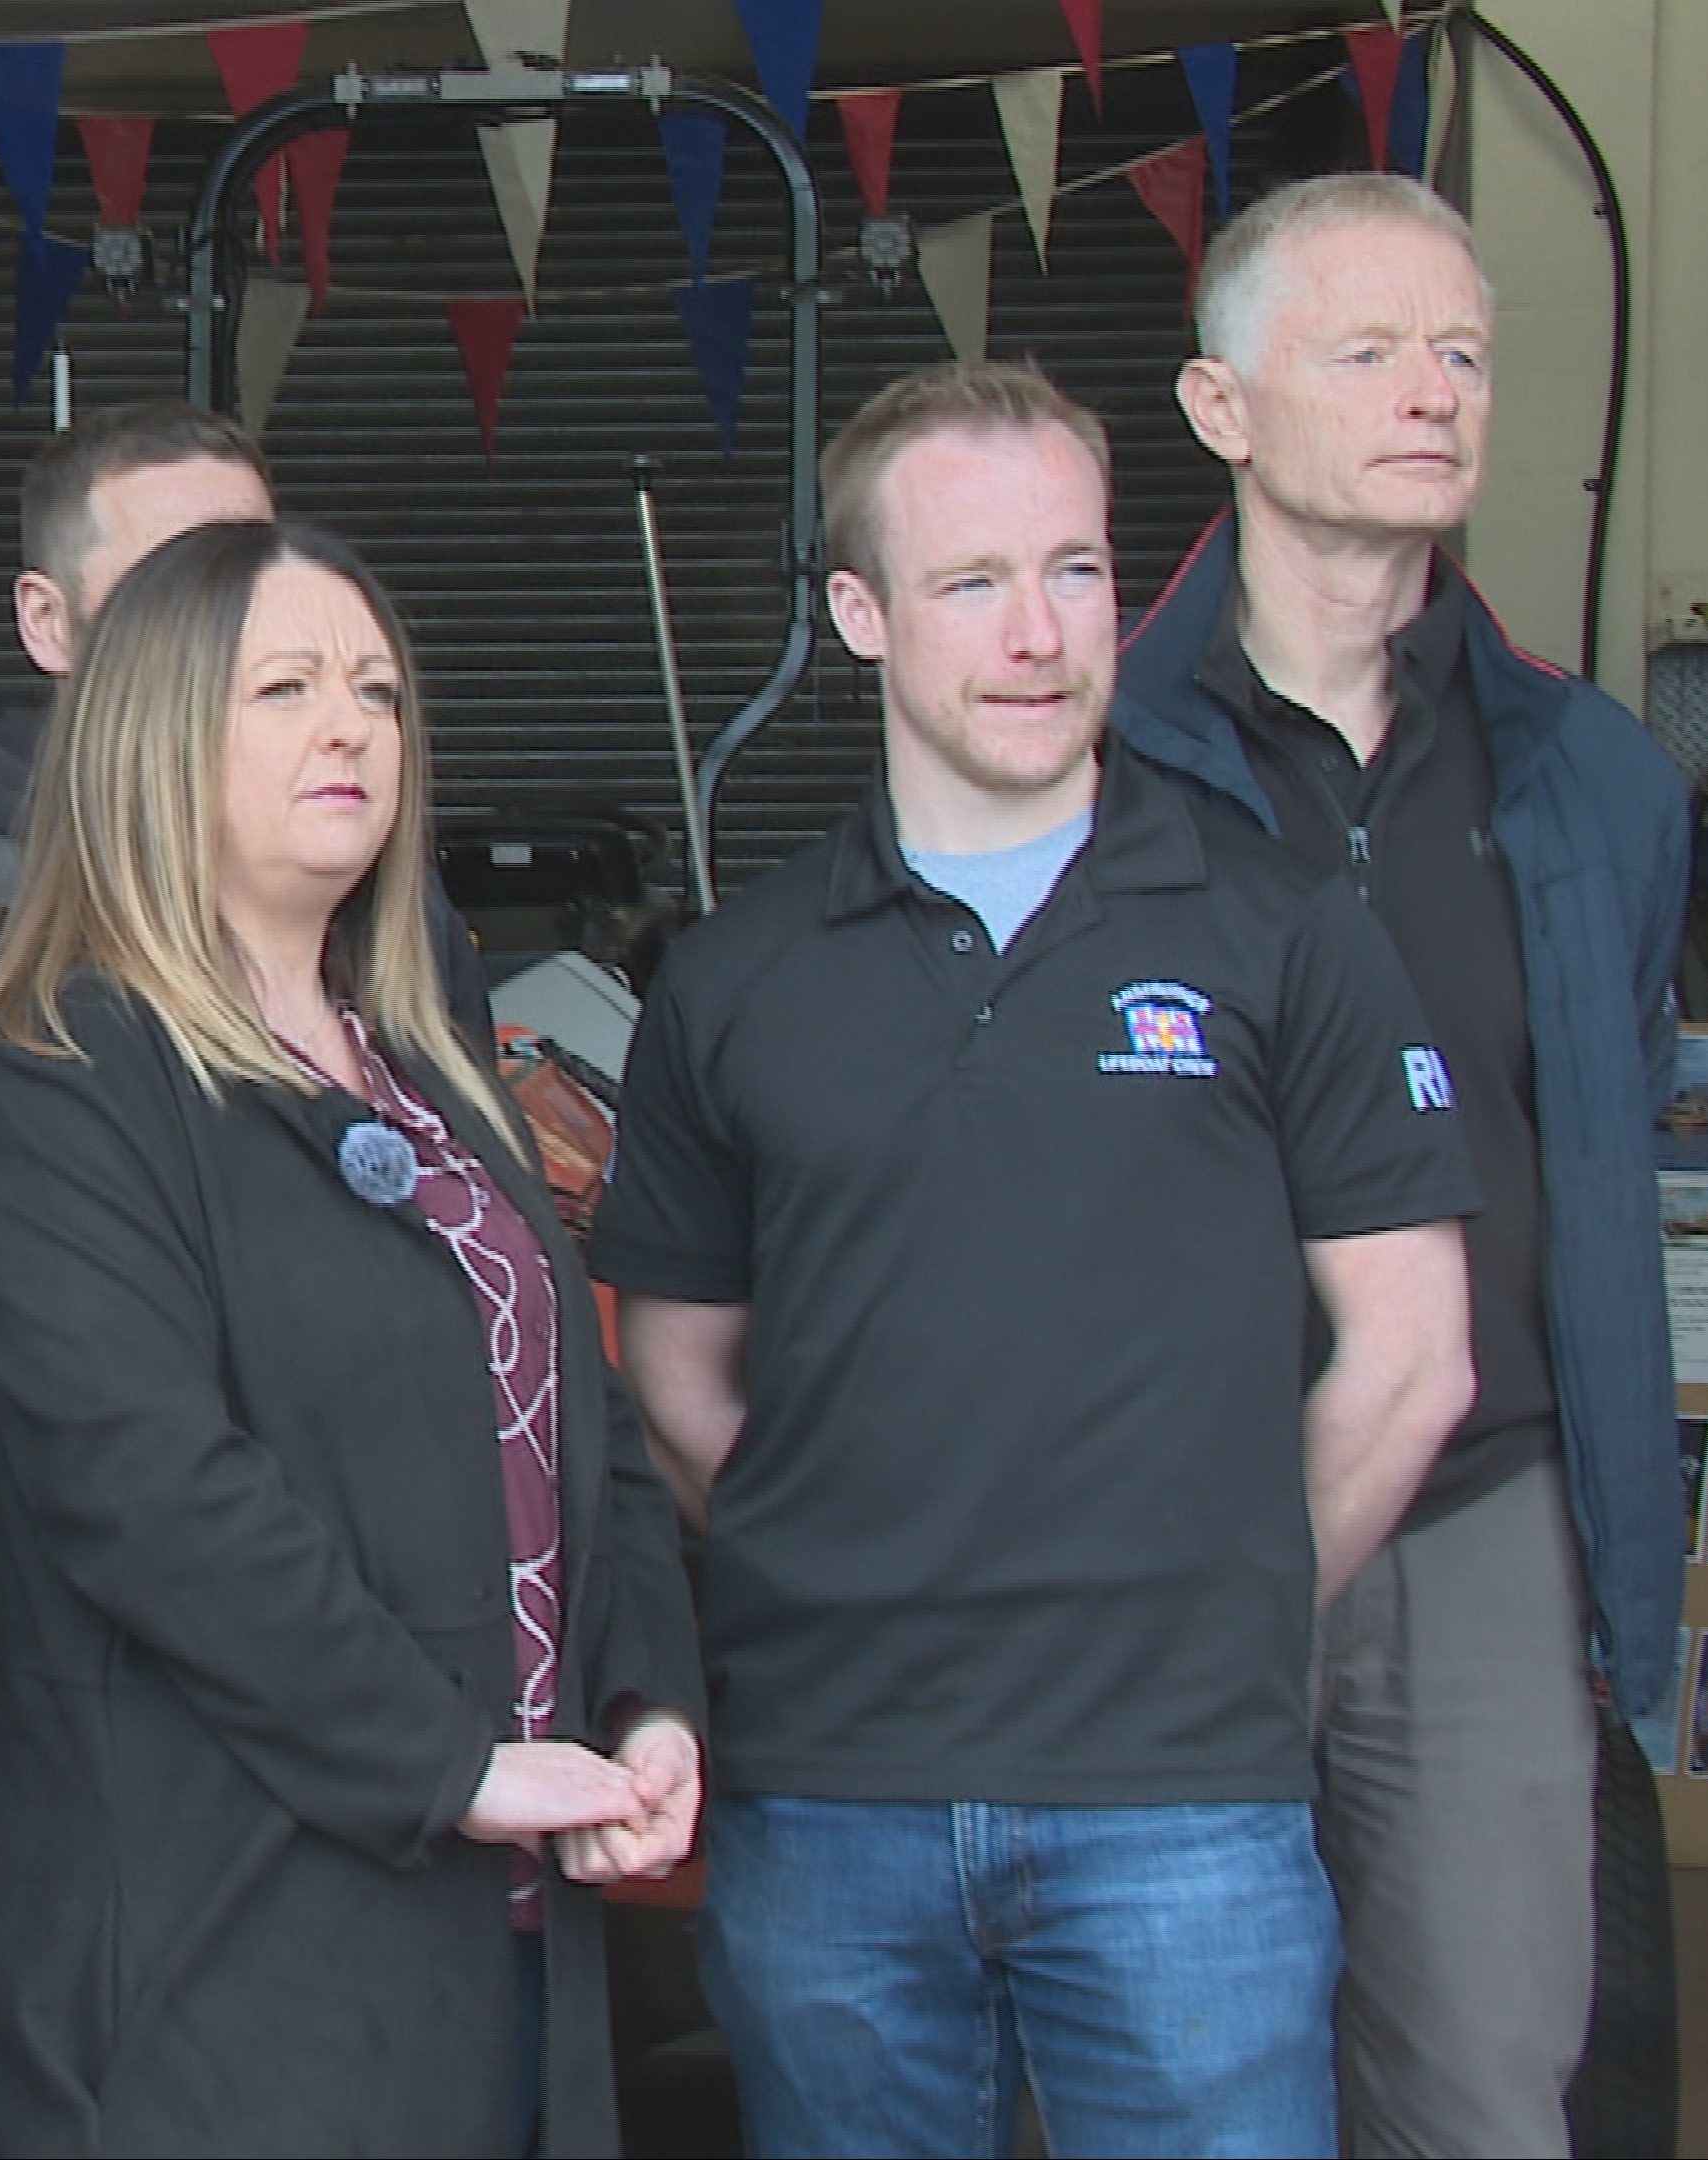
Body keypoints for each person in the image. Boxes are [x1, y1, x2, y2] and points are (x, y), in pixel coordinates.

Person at [598, 359, 1481, 2157]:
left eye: (1076, 570)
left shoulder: (1285, 935)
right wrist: (857, 1573)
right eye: (972, 581)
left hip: (1183, 1806)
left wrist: (1222, 1605)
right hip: (833, 1802)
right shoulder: (736, 978)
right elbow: (676, 1375)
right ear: (861, 614)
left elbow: (1414, 1359)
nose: (1037, 633)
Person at [0, 519, 705, 2156]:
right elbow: (151, 1494)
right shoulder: (69, 1074)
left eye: (377, 692)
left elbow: (590, 1430)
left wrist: (648, 1705)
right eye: (283, 689)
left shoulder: (431, 1066)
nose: (350, 727)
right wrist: (452, 1763)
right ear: (152, 739)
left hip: (507, 1930)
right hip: (231, 1959)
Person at [1111, 172, 1692, 2157]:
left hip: (1480, 1516)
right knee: (1160, 2082)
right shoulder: (1085, 761)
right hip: (1152, 1518)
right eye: (1366, 351)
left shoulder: (1595, 779)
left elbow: (1606, 1124)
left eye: (1463, 352)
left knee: (1480, 2093)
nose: (1434, 392)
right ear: (1221, 408)